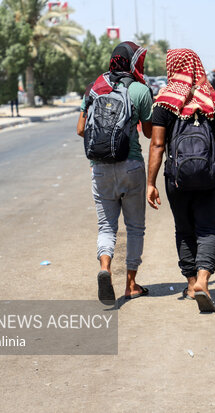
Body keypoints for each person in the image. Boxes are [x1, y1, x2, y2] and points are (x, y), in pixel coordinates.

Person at [147, 48, 215, 313]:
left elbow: (158, 144)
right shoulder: (214, 100)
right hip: (209, 178)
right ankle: (204, 280)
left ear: (172, 67)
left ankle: (192, 282)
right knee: (208, 228)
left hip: (177, 179)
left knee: (184, 229)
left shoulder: (164, 101)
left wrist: (151, 182)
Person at [76, 41, 153, 304]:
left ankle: (105, 268)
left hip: (100, 167)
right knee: (135, 228)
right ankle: (131, 284)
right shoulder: (141, 90)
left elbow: (80, 129)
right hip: (131, 165)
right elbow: (151, 132)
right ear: (133, 62)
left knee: (106, 226)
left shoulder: (94, 87)